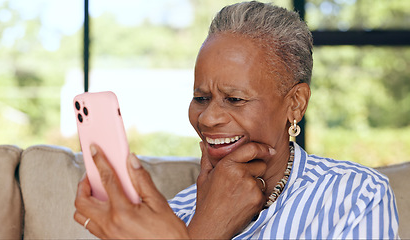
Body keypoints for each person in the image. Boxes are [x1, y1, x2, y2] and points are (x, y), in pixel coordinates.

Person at [73, 1, 399, 239]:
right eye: (201, 98)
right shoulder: (169, 215)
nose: (209, 117)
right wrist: (206, 228)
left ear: (295, 104)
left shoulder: (355, 196)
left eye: (235, 99)